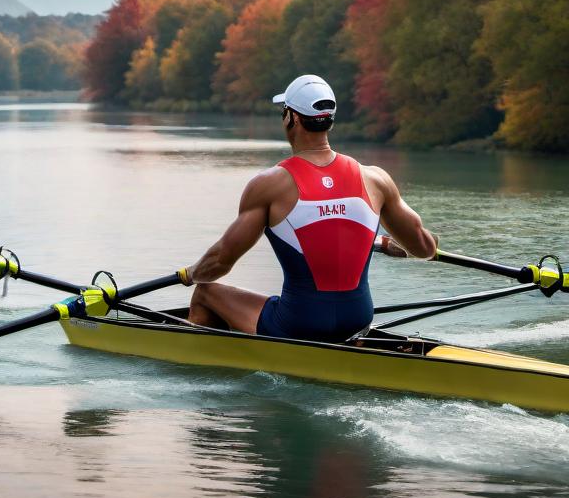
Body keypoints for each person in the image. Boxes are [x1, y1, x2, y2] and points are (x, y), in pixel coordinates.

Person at [184, 75, 437, 341]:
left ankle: (214, 363)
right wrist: (383, 241)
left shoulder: (269, 185)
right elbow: (425, 248)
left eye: (284, 111)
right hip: (358, 319)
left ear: (291, 118)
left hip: (298, 323)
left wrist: (192, 273)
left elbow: (221, 262)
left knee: (205, 293)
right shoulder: (375, 179)